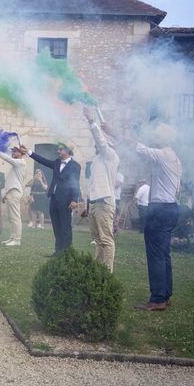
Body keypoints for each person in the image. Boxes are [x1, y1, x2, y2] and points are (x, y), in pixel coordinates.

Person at [103, 122, 182, 311]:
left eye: (156, 135)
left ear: (163, 138)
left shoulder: (163, 154)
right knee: (163, 254)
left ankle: (157, 299)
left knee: (156, 255)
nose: (153, 138)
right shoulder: (175, 157)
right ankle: (165, 294)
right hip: (170, 207)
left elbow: (136, 146)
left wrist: (113, 132)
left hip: (160, 209)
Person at [19, 142, 81, 255]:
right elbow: (43, 161)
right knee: (56, 226)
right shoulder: (57, 162)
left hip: (66, 200)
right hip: (54, 198)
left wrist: (74, 200)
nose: (58, 151)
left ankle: (66, 253)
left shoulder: (75, 166)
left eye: (61, 150)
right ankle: (57, 252)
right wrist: (28, 152)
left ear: (67, 151)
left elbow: (76, 183)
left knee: (65, 227)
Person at [79, 107, 120, 272]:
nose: (97, 145)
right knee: (97, 239)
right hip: (95, 203)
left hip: (105, 202)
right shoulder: (97, 160)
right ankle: (98, 268)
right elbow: (92, 185)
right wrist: (88, 206)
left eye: (100, 143)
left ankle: (107, 272)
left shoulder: (110, 156)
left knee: (106, 239)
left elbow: (101, 141)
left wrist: (91, 121)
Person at [0, 147, 27, 246]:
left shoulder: (20, 162)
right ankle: (12, 238)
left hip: (15, 192)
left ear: (21, 153)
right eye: (12, 151)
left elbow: (7, 159)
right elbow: (10, 181)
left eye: (15, 151)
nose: (12, 153)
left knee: (15, 217)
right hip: (11, 192)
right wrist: (5, 194)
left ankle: (17, 239)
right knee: (11, 217)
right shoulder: (16, 164)